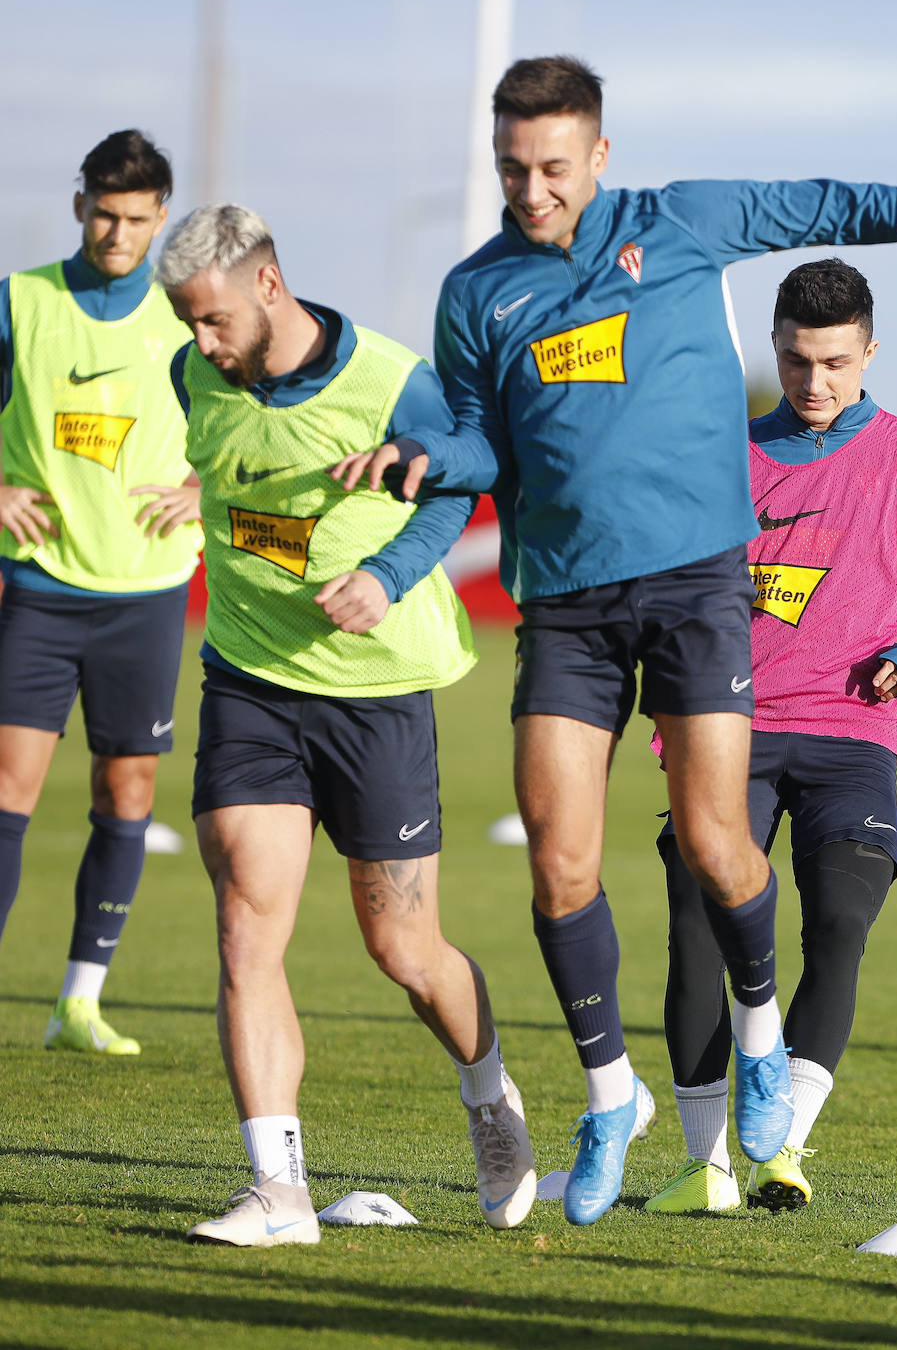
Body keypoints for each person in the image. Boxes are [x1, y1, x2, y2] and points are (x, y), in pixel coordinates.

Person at [334, 55, 897, 1226]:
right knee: (557, 860)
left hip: (695, 587)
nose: (530, 190)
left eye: (551, 167)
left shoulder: (683, 224)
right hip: (567, 603)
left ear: (598, 155)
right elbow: (486, 445)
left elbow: (845, 203)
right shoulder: (475, 289)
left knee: (711, 843)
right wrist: (426, 467)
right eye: (509, 168)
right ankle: (607, 1099)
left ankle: (758, 1040)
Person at [157, 203, 536, 1246]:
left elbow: (466, 480)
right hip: (250, 682)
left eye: (213, 318)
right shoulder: (196, 375)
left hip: (375, 698)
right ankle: (278, 1190)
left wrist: (387, 574)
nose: (200, 342)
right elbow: (226, 454)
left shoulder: (389, 379)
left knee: (404, 951)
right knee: (246, 927)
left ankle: (488, 1097)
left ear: (268, 287)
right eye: (185, 321)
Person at [644, 258, 897, 1214]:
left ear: (869, 351)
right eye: (798, 362)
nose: (815, 384)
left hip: (853, 733)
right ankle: (700, 1167)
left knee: (839, 922)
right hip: (728, 729)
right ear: (773, 348)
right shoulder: (722, 452)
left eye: (836, 363)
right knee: (693, 929)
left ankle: (781, 1151)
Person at [0, 129, 202, 1055]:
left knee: (126, 796)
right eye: (104, 214)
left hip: (150, 594)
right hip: (37, 588)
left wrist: (209, 485)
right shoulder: (21, 300)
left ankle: (79, 1000)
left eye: (136, 219)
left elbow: (255, 412)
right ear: (79, 204)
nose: (117, 234)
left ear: (161, 217)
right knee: (10, 790)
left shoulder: (187, 311)